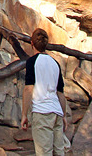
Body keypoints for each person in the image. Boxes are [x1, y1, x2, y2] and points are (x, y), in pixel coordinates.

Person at [20, 28, 68, 156]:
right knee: (59, 152)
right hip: (56, 111)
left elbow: (28, 89)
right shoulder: (55, 63)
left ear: (32, 43)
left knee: (44, 153)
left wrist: (24, 114)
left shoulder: (32, 62)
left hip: (42, 111)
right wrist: (63, 115)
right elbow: (60, 93)